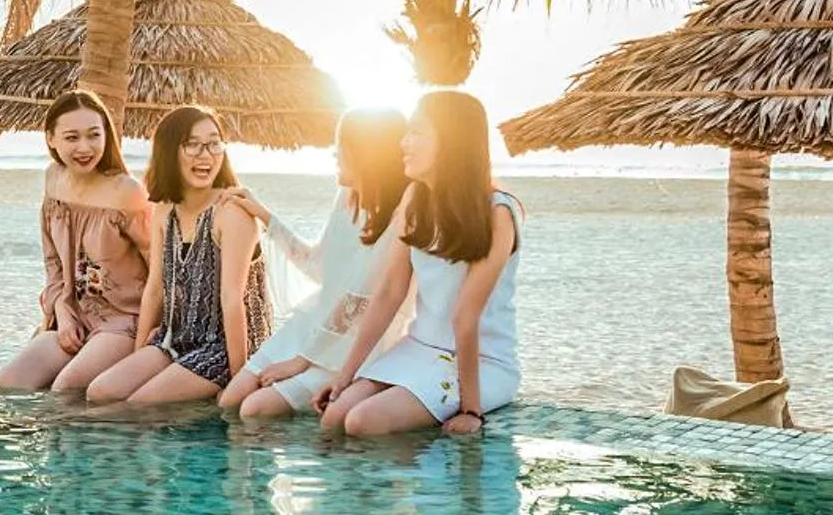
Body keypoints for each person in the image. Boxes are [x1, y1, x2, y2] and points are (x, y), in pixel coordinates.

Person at [313, 90, 521, 438]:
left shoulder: (498, 213)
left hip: (483, 363)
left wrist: (472, 410)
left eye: (417, 133)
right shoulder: (415, 199)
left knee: (363, 422)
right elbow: (390, 292)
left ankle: (416, 487)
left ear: (452, 141)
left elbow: (465, 316)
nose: (403, 143)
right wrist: (344, 377)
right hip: (420, 348)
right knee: (334, 418)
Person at [219, 107, 409, 420]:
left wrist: (302, 360)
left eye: (342, 145)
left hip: (354, 343)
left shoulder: (399, 217)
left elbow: (358, 300)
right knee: (231, 400)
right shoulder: (347, 196)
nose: (336, 154)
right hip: (314, 325)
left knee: (255, 409)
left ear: (366, 154)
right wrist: (264, 215)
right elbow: (317, 266)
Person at [85, 106, 270, 405]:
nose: (205, 155)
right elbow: (155, 288)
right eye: (192, 145)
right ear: (170, 151)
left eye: (213, 143)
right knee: (101, 392)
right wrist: (139, 357)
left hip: (224, 347)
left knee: (139, 406)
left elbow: (232, 299)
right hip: (175, 338)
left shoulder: (231, 212)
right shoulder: (164, 210)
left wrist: (239, 379)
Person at [0, 90, 151, 394]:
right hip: (73, 314)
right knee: (10, 383)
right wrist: (62, 314)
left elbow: (161, 266)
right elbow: (52, 261)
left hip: (124, 320)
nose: (84, 147)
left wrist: (150, 335)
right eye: (72, 137)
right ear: (51, 139)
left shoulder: (127, 193)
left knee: (65, 389)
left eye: (94, 135)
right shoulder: (53, 178)